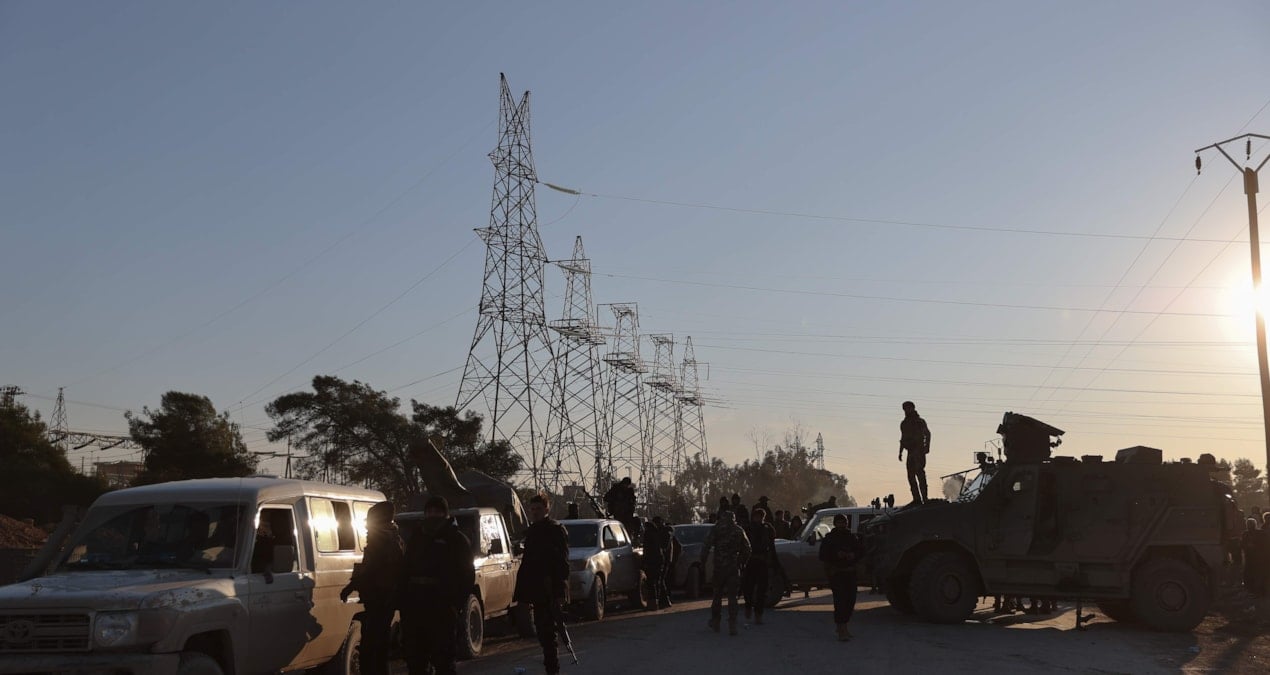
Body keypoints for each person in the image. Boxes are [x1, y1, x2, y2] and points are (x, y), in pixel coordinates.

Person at [400, 496, 474, 675]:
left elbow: (466, 575)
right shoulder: (417, 537)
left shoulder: (456, 539)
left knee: (444, 660)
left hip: (442, 607)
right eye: (430, 512)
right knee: (416, 660)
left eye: (437, 512)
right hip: (415, 606)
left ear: (445, 514)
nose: (433, 515)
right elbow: (405, 569)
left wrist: (454, 604)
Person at [339, 501, 404, 675]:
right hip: (379, 599)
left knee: (373, 648)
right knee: (376, 646)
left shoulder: (384, 541)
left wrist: (352, 585)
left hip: (381, 600)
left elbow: (373, 569)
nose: (367, 526)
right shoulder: (387, 539)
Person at [514, 492, 572, 675]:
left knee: (549, 635)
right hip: (537, 590)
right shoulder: (533, 531)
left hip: (550, 589)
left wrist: (560, 589)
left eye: (538, 509)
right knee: (543, 633)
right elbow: (528, 563)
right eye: (532, 509)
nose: (535, 512)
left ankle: (552, 670)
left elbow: (562, 562)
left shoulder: (555, 530)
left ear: (547, 509)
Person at [701, 509, 751, 636]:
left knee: (717, 595)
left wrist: (703, 562)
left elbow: (706, 546)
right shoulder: (739, 530)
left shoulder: (716, 529)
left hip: (719, 567)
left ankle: (716, 621)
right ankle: (732, 624)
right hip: (733, 567)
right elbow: (748, 549)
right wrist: (741, 561)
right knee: (732, 597)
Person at [819, 513, 865, 641]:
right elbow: (823, 555)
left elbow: (861, 551)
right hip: (836, 573)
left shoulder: (851, 537)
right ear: (835, 523)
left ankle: (843, 626)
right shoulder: (829, 538)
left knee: (851, 601)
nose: (842, 524)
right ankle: (841, 628)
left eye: (843, 522)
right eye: (839, 522)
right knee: (840, 602)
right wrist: (836, 555)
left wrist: (853, 555)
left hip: (850, 573)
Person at [741, 507, 777, 625]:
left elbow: (771, 546)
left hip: (762, 562)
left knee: (762, 590)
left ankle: (758, 614)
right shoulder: (748, 528)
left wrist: (773, 562)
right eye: (756, 516)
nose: (758, 519)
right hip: (750, 561)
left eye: (760, 517)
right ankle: (748, 607)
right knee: (748, 588)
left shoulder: (767, 529)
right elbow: (742, 545)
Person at [898, 400, 932, 504]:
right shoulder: (904, 424)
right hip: (910, 451)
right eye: (905, 409)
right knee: (910, 475)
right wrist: (900, 452)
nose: (906, 410)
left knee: (920, 473)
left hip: (919, 451)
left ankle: (925, 498)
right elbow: (903, 438)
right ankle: (916, 498)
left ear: (912, 408)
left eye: (908, 408)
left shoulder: (919, 422)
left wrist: (927, 447)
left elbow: (927, 434)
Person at [643, 516, 672, 610]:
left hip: (655, 560)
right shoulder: (658, 533)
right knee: (658, 581)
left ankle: (655, 603)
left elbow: (648, 549)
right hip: (660, 559)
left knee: (653, 582)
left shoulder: (650, 534)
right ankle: (662, 601)